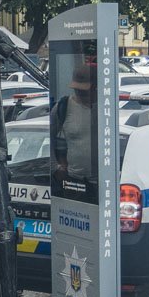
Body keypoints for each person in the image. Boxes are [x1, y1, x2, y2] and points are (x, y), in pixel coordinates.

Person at [52, 64, 96, 198]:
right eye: (77, 88)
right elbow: (51, 138)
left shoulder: (106, 109)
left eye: (84, 89)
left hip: (102, 183)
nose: (79, 92)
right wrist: (57, 167)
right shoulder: (63, 107)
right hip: (73, 182)